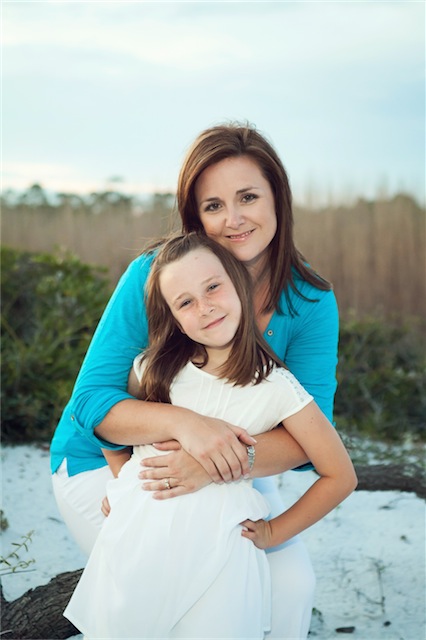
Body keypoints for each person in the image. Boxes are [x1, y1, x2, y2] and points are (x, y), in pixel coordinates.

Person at [51, 122, 340, 639]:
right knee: (196, 585)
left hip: (235, 470)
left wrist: (216, 461)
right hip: (107, 467)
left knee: (290, 587)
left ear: (278, 198)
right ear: (194, 216)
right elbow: (92, 402)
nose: (233, 220)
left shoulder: (311, 300)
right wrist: (189, 427)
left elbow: (308, 439)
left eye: (248, 196)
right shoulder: (157, 276)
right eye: (212, 206)